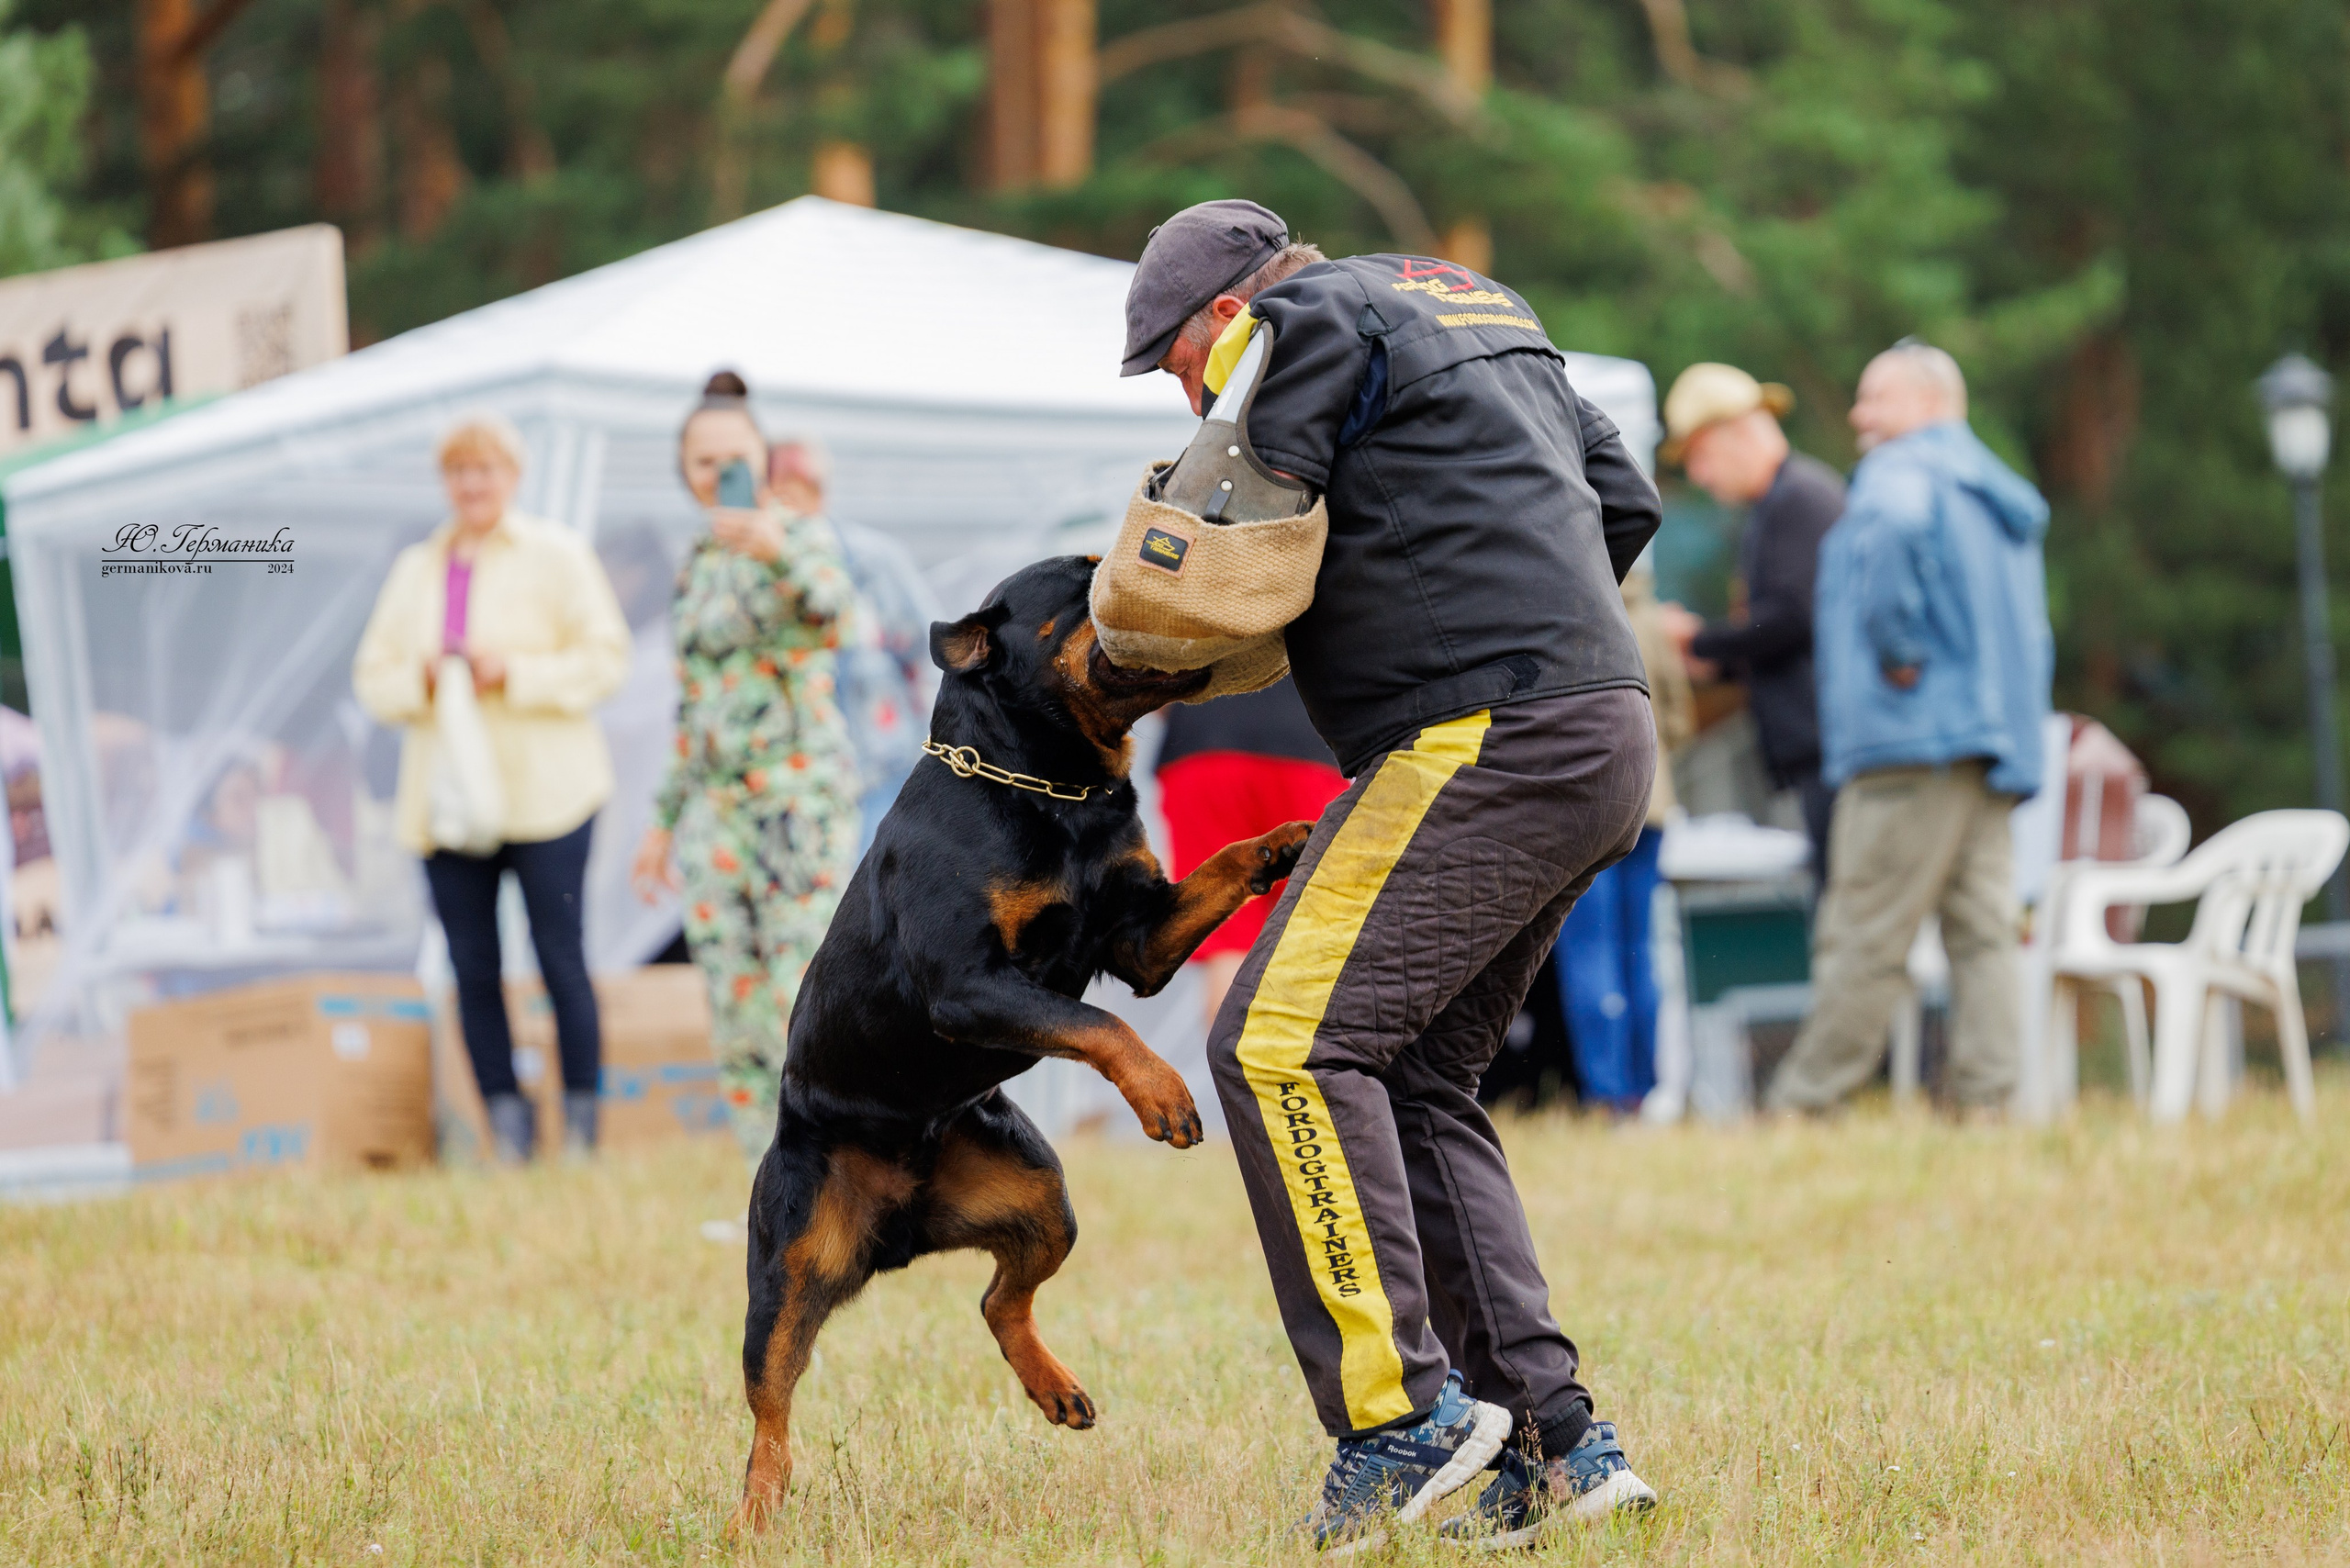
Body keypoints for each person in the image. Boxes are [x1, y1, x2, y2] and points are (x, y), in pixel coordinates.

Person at [1114, 199, 1662, 1546]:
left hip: (1479, 735)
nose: (1193, 396)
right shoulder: (1478, 301)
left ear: (1221, 321)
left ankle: (1397, 1418)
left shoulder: (1292, 324)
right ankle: (1560, 1449)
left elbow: (1232, 525)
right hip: (1602, 724)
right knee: (1413, 1074)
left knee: (1279, 1045)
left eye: (1180, 371)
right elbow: (1627, 498)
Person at [1765, 342, 2053, 1116]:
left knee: (1863, 929)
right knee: (1985, 933)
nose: (1860, 416)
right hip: (1987, 743)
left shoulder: (1901, 474)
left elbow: (1892, 530)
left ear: (1929, 404)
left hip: (1908, 742)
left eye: (1876, 398)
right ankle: (1990, 1104)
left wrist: (1897, 647)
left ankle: (1805, 1104)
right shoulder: (1998, 493)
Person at [353, 413, 631, 1162]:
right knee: (471, 966)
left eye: (486, 470)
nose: (473, 484)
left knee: (558, 957)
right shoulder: (416, 567)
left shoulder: (557, 555)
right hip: (447, 804)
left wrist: (515, 671)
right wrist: (424, 677)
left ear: (513, 476)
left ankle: (579, 1135)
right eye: (459, 471)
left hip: (551, 796)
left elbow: (606, 660)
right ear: (445, 481)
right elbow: (372, 677)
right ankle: (507, 1135)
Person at [630, 373, 860, 1158]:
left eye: (734, 457)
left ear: (762, 458)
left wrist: (779, 552)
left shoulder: (800, 533)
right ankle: (771, 1188)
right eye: (703, 462)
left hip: (797, 802)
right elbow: (692, 707)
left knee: (802, 988)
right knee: (734, 1000)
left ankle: (840, 1170)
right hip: (715, 815)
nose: (718, 471)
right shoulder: (695, 563)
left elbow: (841, 615)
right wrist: (661, 823)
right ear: (685, 473)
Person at [1653, 363, 1846, 874]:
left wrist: (1700, 644)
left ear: (1735, 432)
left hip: (1831, 750)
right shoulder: (1783, 502)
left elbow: (1791, 618)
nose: (1699, 476)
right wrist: (1716, 662)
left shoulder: (1797, 499)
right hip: (1819, 750)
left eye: (1699, 455)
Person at [1557, 559, 1695, 1114]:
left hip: (1585, 809)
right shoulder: (1652, 619)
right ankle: (1643, 1089)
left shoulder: (1563, 612)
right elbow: (1680, 721)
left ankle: (1604, 1092)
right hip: (1652, 807)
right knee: (1641, 951)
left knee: (1590, 953)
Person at [767, 436, 936, 852]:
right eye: (782, 480)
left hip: (879, 771)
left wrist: (936, 757)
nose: (794, 492)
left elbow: (931, 654)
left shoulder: (872, 560)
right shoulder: (751, 574)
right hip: (786, 790)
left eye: (806, 480)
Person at [1153, 678, 1348, 1032]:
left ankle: (1237, 1083)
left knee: (1229, 941)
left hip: (1204, 749)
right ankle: (1301, 1077)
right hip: (1306, 749)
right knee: (1310, 932)